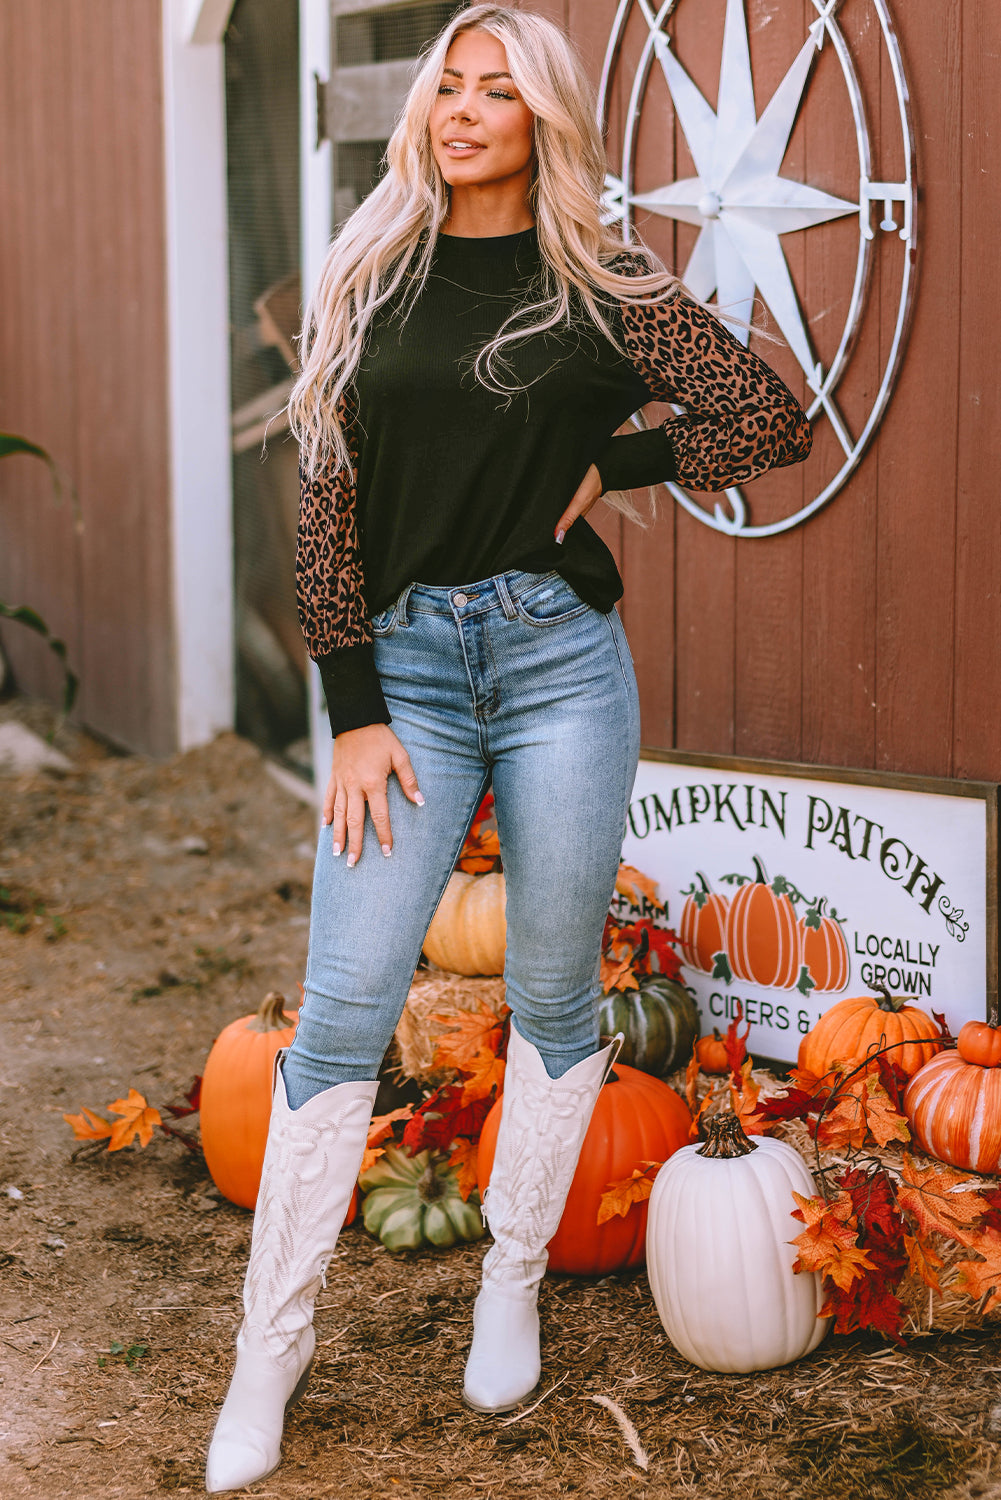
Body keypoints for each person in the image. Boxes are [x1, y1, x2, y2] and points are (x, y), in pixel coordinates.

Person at [205, 5, 812, 1491]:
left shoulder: (595, 284)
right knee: (342, 1011)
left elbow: (769, 410)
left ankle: (512, 1282)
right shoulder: (369, 270)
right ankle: (264, 1362)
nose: (461, 110)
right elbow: (326, 497)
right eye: (445, 88)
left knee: (552, 993)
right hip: (403, 676)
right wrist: (349, 710)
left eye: (494, 91)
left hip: (557, 668)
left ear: (538, 119)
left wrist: (619, 457)